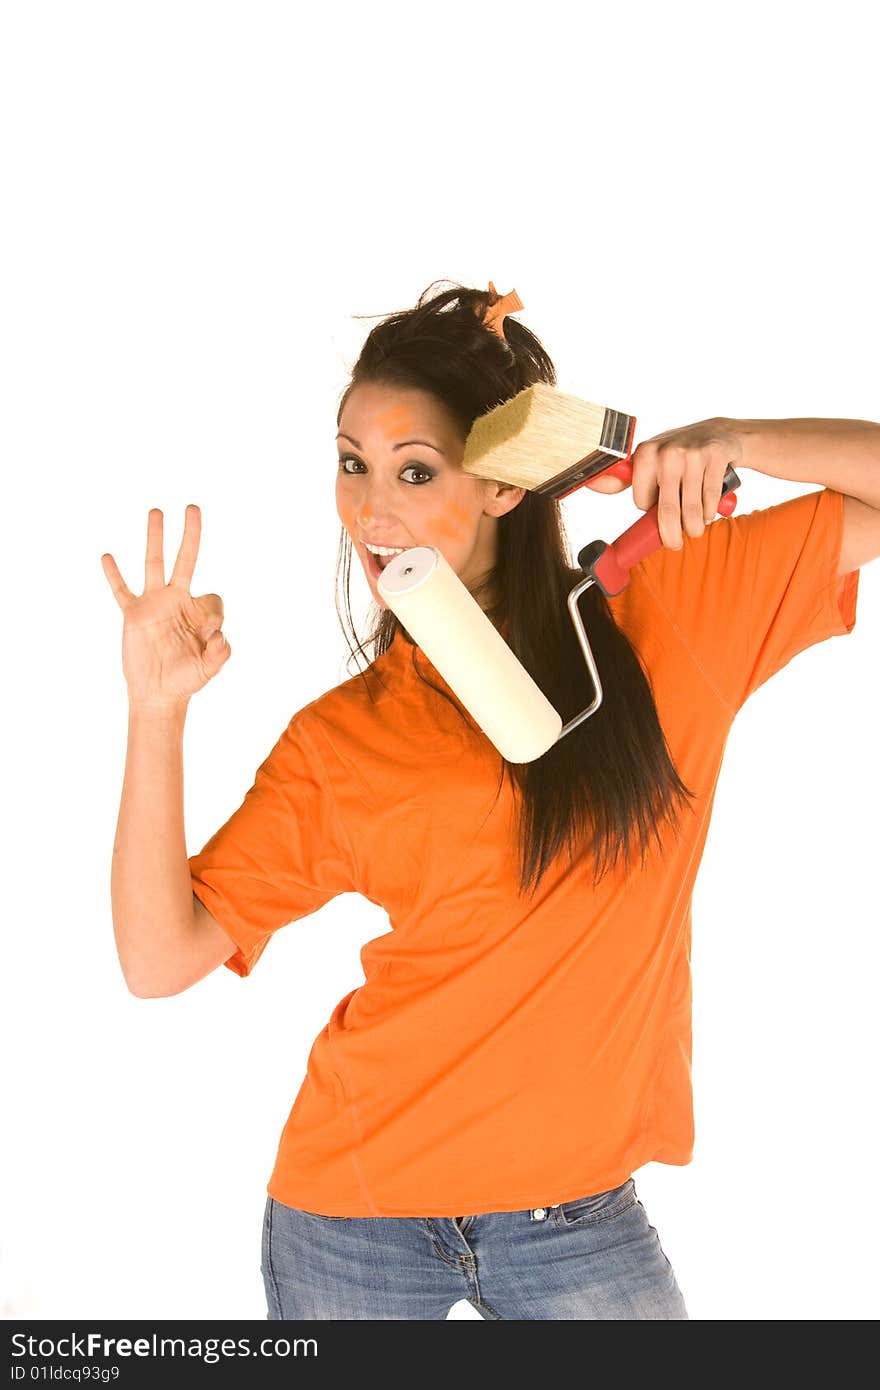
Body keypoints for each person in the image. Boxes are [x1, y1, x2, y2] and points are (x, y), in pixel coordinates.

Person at [102, 279, 862, 1320]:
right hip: (352, 1217)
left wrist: (734, 437)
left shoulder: (674, 612)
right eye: (352, 465)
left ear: (506, 484)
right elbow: (159, 958)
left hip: (576, 1219)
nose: (371, 512)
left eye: (415, 470)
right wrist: (156, 714)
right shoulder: (347, 737)